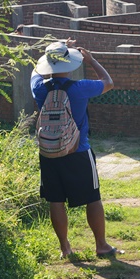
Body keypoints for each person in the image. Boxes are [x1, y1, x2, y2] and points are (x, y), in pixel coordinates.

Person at [31, 39, 118, 259]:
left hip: (49, 152)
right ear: (70, 64)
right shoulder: (80, 88)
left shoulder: (39, 89)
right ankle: (101, 245)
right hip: (78, 150)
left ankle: (65, 248)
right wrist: (91, 59)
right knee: (92, 197)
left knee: (56, 200)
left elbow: (35, 72)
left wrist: (52, 52)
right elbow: (108, 82)